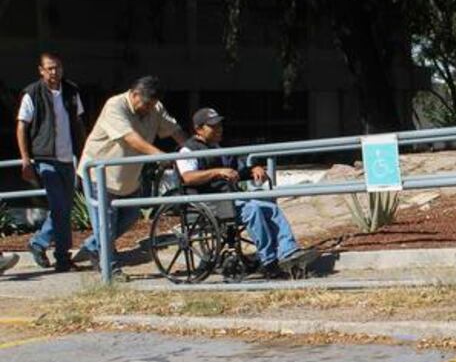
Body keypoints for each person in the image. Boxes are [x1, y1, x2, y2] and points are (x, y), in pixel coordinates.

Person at [176, 107, 317, 278]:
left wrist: (253, 169)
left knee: (269, 205)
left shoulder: (221, 148)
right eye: (213, 126)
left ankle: (289, 252)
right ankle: (269, 262)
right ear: (198, 129)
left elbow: (239, 170)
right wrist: (217, 171)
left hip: (230, 199)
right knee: (254, 210)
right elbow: (189, 178)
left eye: (220, 125)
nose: (219, 129)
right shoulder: (188, 151)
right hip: (208, 202)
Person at [74, 76, 187, 272]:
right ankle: (109, 269)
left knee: (130, 218)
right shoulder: (115, 106)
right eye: (146, 104)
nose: (149, 109)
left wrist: (192, 151)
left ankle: (94, 247)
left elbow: (175, 130)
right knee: (106, 226)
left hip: (128, 180)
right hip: (100, 177)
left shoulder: (155, 108)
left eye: (152, 105)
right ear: (134, 95)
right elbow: (131, 139)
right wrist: (160, 156)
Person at [16, 52, 87, 272]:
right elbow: (22, 126)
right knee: (59, 208)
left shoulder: (71, 91)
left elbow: (79, 123)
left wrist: (84, 153)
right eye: (49, 68)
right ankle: (62, 257)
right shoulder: (32, 93)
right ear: (41, 70)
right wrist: (26, 158)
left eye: (57, 67)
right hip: (46, 159)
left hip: (68, 159)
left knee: (63, 209)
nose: (54, 72)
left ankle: (38, 243)